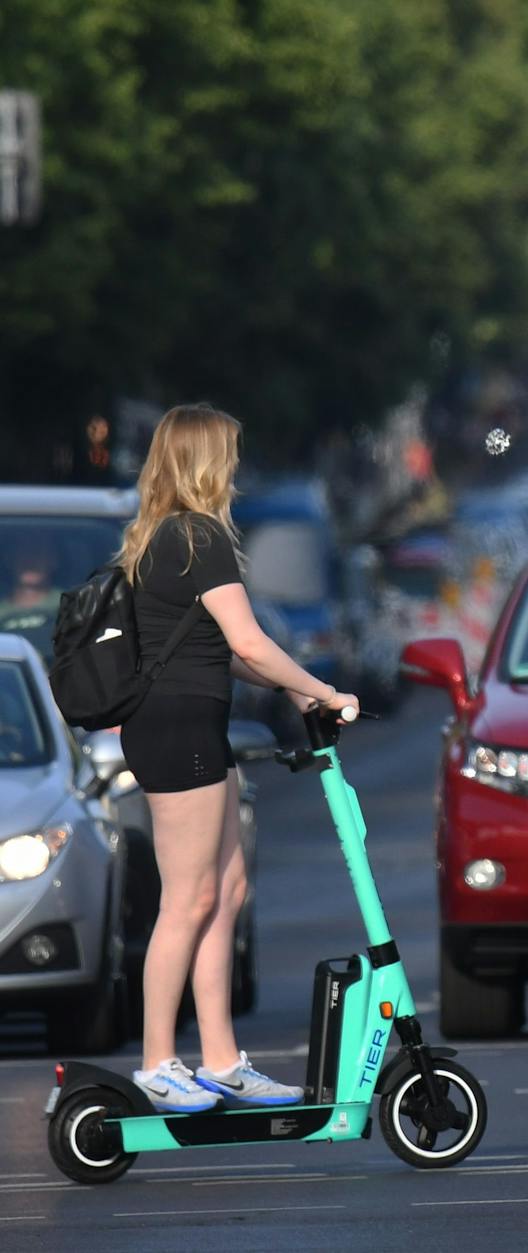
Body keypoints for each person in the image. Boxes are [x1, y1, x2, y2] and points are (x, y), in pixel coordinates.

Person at [114, 404, 359, 1113]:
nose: (237, 467)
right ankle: (158, 1060)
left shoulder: (165, 536)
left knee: (226, 890)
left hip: (192, 726)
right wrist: (321, 689)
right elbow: (251, 642)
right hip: (177, 731)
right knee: (187, 898)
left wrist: (301, 691)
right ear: (204, 461)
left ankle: (221, 1061)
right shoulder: (197, 537)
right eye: (230, 454)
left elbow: (220, 651)